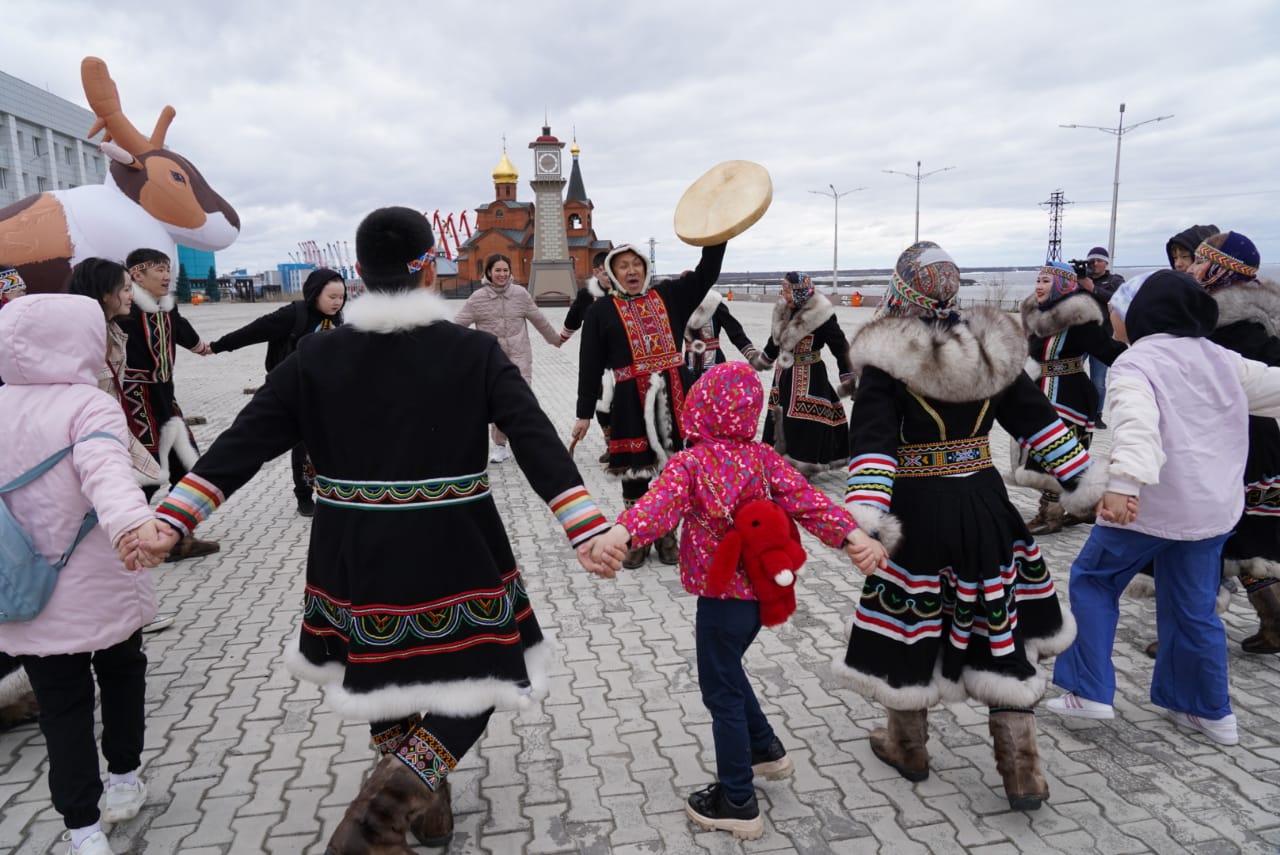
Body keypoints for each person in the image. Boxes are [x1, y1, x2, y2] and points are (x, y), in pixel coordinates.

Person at [145, 207, 615, 853]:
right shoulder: (470, 350)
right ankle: (384, 811)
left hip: (352, 551)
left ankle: (428, 811)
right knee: (488, 670)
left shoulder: (316, 354)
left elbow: (243, 442)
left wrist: (172, 516)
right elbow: (533, 436)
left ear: (360, 273)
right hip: (456, 544)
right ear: (428, 266)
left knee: (385, 669)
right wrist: (585, 528)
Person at [836, 242, 1105, 812]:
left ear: (902, 289)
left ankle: (908, 748)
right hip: (986, 505)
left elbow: (875, 445)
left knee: (909, 624)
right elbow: (1038, 421)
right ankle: (1022, 770)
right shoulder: (990, 347)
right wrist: (1084, 479)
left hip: (917, 514)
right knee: (998, 624)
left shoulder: (887, 357)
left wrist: (862, 517)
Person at [587, 361, 886, 840]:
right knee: (728, 669)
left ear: (700, 407)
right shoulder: (762, 456)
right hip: (757, 595)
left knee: (719, 689)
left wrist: (621, 531)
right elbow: (808, 500)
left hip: (722, 596)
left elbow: (657, 504)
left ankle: (738, 800)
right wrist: (852, 536)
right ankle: (764, 749)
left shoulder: (692, 462)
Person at [1048, 269, 1280, 744]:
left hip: (1149, 509)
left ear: (1142, 314)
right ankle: (1211, 711)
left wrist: (1124, 486)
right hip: (1212, 513)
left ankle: (1087, 689)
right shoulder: (1223, 359)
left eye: (1117, 310)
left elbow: (1136, 426)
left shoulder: (1137, 363)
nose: (1111, 316)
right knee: (1194, 609)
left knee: (1093, 581)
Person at [0, 293, 170, 855]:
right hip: (100, 576)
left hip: (22, 587)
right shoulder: (88, 405)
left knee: (61, 709)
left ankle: (84, 831)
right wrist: (134, 528)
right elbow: (106, 472)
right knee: (122, 672)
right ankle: (123, 779)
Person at [572, 241, 728, 568]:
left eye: (636, 264)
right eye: (623, 266)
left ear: (645, 268)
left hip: (674, 395)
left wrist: (716, 235)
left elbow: (706, 274)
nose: (631, 271)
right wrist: (584, 413)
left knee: (675, 471)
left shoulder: (669, 295)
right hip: (629, 401)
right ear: (613, 273)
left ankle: (668, 534)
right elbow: (589, 365)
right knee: (634, 472)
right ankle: (637, 538)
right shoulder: (600, 311)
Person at [66, 258, 175, 635]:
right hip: (90, 439)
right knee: (112, 524)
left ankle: (131, 612)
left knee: (128, 510)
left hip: (115, 427)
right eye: (126, 288)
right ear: (103, 292)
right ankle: (122, 615)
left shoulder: (113, 328)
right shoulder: (79, 334)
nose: (131, 294)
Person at [1186, 231, 1280, 654]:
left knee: (1208, 532)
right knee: (1243, 535)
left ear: (1223, 270)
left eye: (1199, 261)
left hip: (1237, 441)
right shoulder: (1242, 320)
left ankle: (1192, 629)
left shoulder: (1235, 326)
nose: (1189, 268)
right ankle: (1275, 618)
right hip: (1240, 437)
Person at [208, 268, 347, 516]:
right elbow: (254, 331)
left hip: (328, 394)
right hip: (295, 392)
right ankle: (304, 496)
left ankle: (331, 491)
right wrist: (218, 346)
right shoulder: (294, 314)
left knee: (328, 444)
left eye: (341, 297)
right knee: (302, 446)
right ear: (315, 294)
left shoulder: (338, 319)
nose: (337, 302)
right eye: (332, 296)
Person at [115, 248, 219, 561]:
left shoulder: (166, 308)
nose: (166, 275)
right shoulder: (121, 308)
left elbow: (198, 343)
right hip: (135, 401)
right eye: (159, 269)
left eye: (167, 268)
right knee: (146, 473)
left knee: (189, 467)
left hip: (165, 400)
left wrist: (226, 344)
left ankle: (176, 537)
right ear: (137, 273)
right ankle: (124, 540)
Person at [1011, 261, 1124, 533]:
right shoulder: (1037, 316)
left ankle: (1051, 514)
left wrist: (1139, 357)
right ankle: (1084, 506)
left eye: (1046, 281)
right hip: (1040, 389)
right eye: (1038, 280)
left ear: (1062, 284)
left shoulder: (1078, 318)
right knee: (1045, 450)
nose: (1038, 286)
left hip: (1069, 393)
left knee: (1056, 451)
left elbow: (1107, 350)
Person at [453, 253, 562, 464]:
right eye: (498, 270)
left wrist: (555, 339)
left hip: (521, 356)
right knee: (498, 402)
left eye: (505, 270)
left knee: (523, 401)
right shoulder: (478, 298)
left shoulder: (520, 294)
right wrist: (446, 345)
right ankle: (500, 446)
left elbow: (538, 319)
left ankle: (526, 444)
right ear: (488, 273)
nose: (502, 274)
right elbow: (458, 325)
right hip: (492, 359)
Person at [752, 273, 853, 475]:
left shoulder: (820, 314)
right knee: (779, 417)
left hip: (810, 375)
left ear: (800, 291)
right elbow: (775, 341)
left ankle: (801, 466)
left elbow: (840, 346)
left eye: (788, 289)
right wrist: (763, 360)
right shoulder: (782, 311)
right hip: (783, 375)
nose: (784, 294)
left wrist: (848, 375)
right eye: (784, 289)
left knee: (806, 420)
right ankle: (777, 463)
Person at [561, 251, 613, 463]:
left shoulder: (625, 293)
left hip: (623, 358)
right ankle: (610, 443)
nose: (610, 277)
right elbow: (573, 319)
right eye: (605, 272)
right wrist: (560, 339)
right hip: (597, 359)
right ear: (596, 272)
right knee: (601, 402)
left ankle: (625, 444)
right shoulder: (586, 296)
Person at [1077, 246, 1125, 427]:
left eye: (1099, 260)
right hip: (1079, 335)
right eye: (1091, 261)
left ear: (1106, 262)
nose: (1095, 264)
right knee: (1072, 375)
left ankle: (1096, 414)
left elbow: (1119, 300)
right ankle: (1075, 408)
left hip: (1102, 336)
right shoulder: (1078, 280)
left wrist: (1092, 288)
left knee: (1098, 380)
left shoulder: (1115, 280)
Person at [682, 288, 758, 382]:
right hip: (689, 366)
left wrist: (751, 354)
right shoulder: (681, 307)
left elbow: (734, 330)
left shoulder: (713, 304)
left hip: (715, 363)